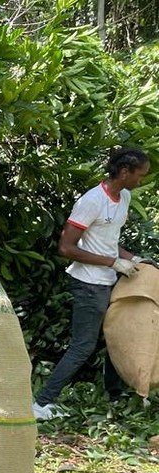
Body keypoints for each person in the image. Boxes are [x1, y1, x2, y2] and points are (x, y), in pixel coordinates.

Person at [32, 147, 152, 421]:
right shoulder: (91, 201)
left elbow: (109, 241)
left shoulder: (124, 197)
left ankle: (116, 394)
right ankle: (41, 404)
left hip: (109, 280)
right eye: (140, 175)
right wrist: (112, 263)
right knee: (83, 346)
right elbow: (66, 247)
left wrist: (134, 258)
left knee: (117, 335)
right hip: (88, 283)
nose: (141, 181)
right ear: (124, 172)